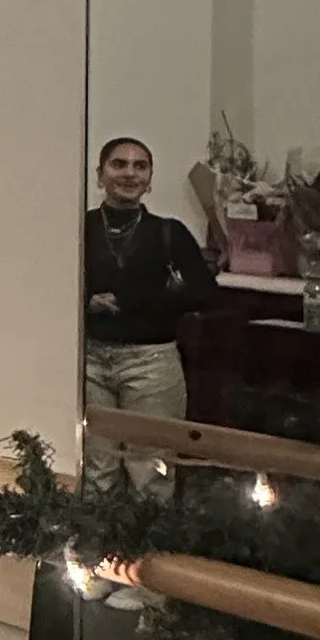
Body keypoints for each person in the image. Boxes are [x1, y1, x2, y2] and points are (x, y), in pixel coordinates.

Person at [84, 136, 220, 485]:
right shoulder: (79, 227)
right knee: (96, 468)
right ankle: (95, 539)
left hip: (151, 365)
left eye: (140, 166)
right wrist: (87, 303)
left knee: (151, 470)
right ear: (100, 175)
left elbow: (205, 294)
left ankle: (148, 541)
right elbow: (51, 285)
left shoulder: (169, 232)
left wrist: (134, 302)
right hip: (89, 361)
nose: (130, 173)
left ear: (150, 179)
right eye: (119, 164)